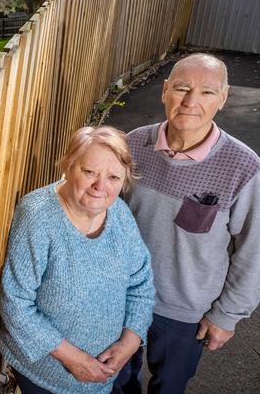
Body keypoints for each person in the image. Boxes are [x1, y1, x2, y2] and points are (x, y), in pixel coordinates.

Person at [114, 53, 260, 393]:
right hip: (122, 297)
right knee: (117, 381)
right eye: (182, 88)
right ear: (165, 91)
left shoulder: (244, 167)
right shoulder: (134, 144)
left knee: (169, 386)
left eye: (207, 92)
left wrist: (227, 316)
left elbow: (254, 251)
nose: (191, 101)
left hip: (185, 314)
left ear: (223, 99)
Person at [0, 126, 155, 394]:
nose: (100, 187)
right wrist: (75, 359)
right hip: (47, 377)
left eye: (113, 177)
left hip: (109, 371)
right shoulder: (38, 217)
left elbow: (141, 282)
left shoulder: (118, 212)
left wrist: (130, 341)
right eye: (89, 172)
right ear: (69, 166)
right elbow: (15, 303)